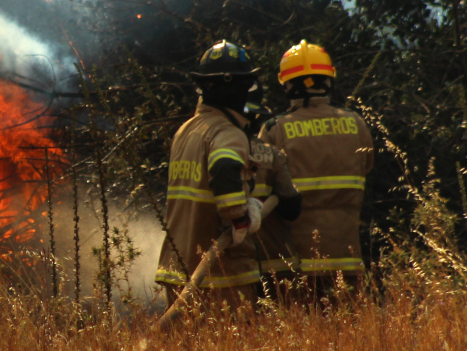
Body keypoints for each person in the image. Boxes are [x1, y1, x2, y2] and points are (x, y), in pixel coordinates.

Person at [155, 40, 282, 307]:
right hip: (220, 278)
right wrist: (239, 215)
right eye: (245, 85)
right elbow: (224, 168)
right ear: (235, 87)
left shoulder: (187, 130)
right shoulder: (227, 132)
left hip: (179, 271)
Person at [258, 40, 375, 301]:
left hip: (297, 265)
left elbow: (259, 186)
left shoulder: (275, 129)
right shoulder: (356, 123)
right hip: (348, 261)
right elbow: (366, 167)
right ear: (328, 80)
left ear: (287, 84)